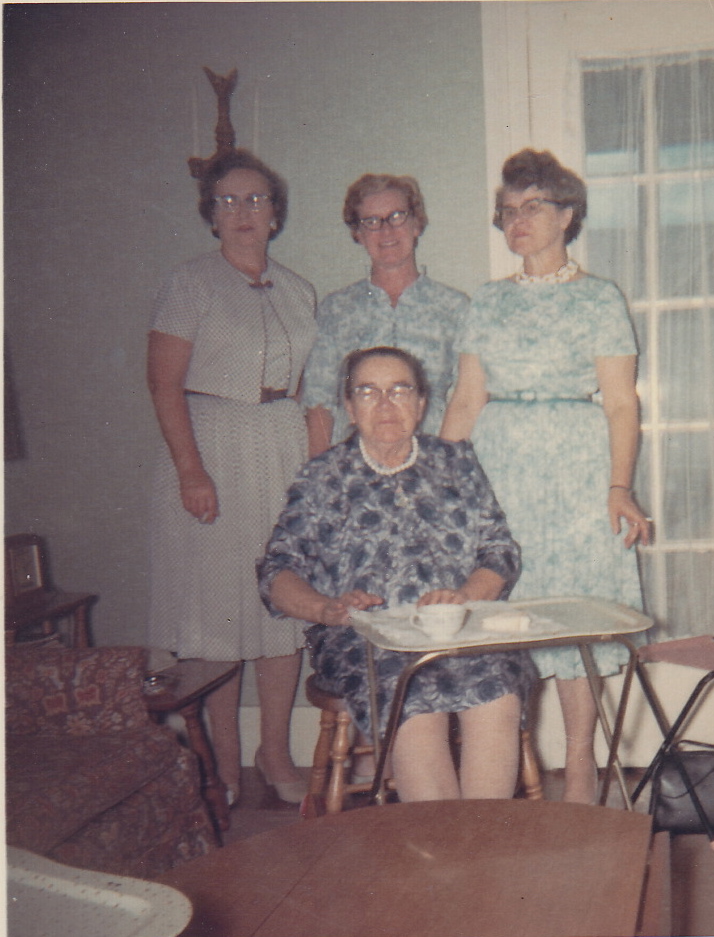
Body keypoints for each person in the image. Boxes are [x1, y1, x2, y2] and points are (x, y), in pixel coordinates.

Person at [441, 149, 652, 805]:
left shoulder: (599, 298)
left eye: (532, 206)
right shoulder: (488, 300)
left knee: (573, 617)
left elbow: (621, 404)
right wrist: (436, 487)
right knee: (504, 616)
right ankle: (508, 765)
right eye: (508, 210)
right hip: (499, 469)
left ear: (567, 215)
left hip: (577, 473)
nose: (517, 220)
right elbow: (465, 400)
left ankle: (581, 763)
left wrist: (618, 486)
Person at [259, 347, 536, 802]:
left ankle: (482, 837)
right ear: (349, 407)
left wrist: (465, 596)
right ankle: (443, 839)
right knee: (412, 700)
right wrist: (326, 609)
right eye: (368, 392)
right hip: (368, 638)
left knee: (498, 692)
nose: (386, 404)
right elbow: (276, 571)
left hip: (460, 628)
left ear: (421, 403)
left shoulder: (455, 462)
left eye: (400, 390)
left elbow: (499, 550)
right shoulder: (323, 477)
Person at [147, 149, 317, 805]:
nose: (243, 212)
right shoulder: (189, 283)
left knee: (282, 600)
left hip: (281, 442)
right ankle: (222, 761)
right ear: (210, 215)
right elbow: (163, 383)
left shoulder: (298, 290)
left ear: (275, 214)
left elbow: (306, 385)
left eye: (256, 200)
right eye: (228, 201)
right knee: (218, 608)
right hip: (213, 445)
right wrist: (191, 469)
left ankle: (274, 753)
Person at [303, 174, 467, 457]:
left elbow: (464, 400)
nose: (386, 230)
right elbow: (319, 401)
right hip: (355, 464)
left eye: (397, 217)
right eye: (372, 221)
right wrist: (319, 470)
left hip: (431, 460)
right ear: (358, 233)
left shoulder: (454, 308)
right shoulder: (336, 309)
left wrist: (444, 467)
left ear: (416, 224)